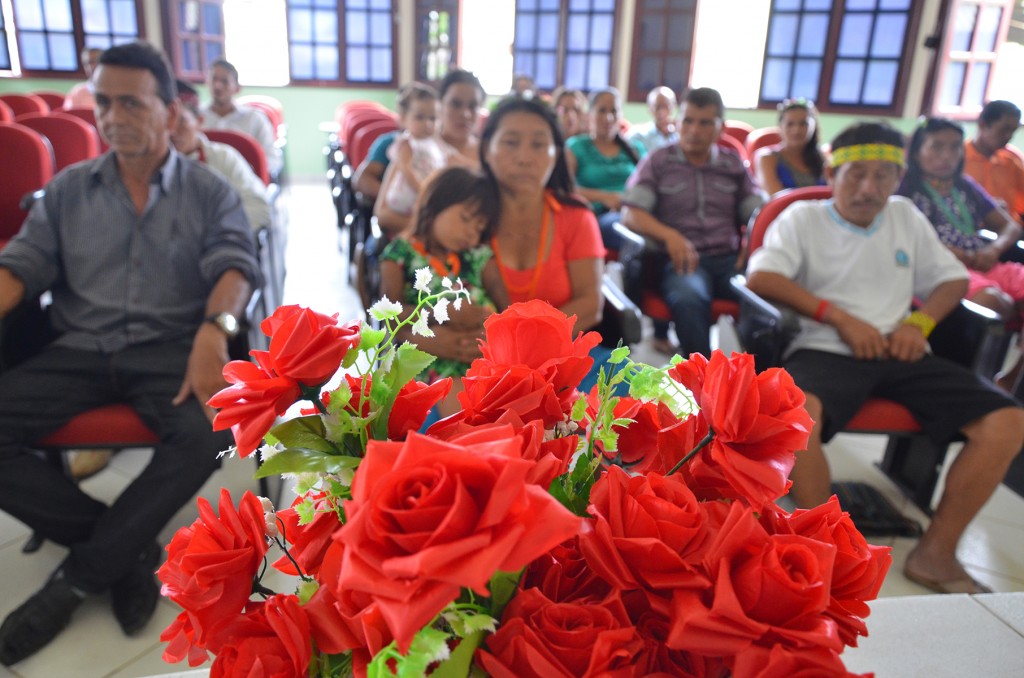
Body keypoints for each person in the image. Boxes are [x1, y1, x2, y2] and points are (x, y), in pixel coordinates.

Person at [0, 41, 261, 666]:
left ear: (169, 111)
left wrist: (213, 328)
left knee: (208, 436)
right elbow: (21, 266)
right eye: (104, 102)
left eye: (131, 103)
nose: (113, 117)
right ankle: (123, 553)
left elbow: (236, 263)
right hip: (79, 347)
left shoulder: (207, 190)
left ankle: (73, 583)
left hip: (168, 349)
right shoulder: (66, 192)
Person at [746, 121, 1024, 595]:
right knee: (796, 415)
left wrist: (920, 325)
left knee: (1007, 422)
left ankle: (937, 554)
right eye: (855, 174)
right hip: (825, 346)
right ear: (833, 173)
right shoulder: (803, 218)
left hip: (899, 348)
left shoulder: (904, 215)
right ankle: (822, 549)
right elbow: (761, 277)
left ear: (898, 178)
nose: (868, 188)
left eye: (882, 176)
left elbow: (951, 280)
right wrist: (840, 319)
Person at [621, 86, 764, 358]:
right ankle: (703, 380)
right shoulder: (659, 162)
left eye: (705, 123)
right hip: (684, 260)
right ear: (678, 122)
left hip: (730, 260)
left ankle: (760, 381)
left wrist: (752, 242)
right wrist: (669, 235)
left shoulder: (732, 164)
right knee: (689, 298)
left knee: (765, 299)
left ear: (720, 128)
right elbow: (632, 213)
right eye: (688, 121)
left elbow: (757, 212)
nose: (694, 130)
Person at [897, 117, 1024, 390]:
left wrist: (994, 249)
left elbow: (1009, 225)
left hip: (984, 261)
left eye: (955, 147)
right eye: (937, 147)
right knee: (993, 302)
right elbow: (902, 235)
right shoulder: (905, 187)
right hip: (941, 268)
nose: (947, 155)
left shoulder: (963, 185)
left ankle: (1011, 380)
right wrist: (953, 252)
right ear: (918, 150)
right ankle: (976, 385)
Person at [379, 167, 508, 416]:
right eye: (465, 218)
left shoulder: (479, 257)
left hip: (485, 358)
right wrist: (442, 314)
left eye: (479, 227)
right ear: (436, 202)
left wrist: (490, 337)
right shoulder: (399, 255)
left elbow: (508, 312)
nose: (472, 232)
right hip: (431, 357)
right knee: (455, 400)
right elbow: (388, 315)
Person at [480, 97, 604, 334]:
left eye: (538, 145)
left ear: (556, 155)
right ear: (487, 150)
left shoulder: (576, 217)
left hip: (557, 355)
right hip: (476, 357)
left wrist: (526, 343)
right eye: (510, 142)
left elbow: (590, 304)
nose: (524, 158)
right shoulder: (465, 213)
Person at [172, 80, 271, 233]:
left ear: (199, 122)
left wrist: (217, 237)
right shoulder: (148, 166)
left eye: (181, 122)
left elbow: (258, 207)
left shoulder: (223, 158)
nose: (172, 132)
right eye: (164, 122)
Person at [565, 87, 646, 253]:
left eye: (614, 111)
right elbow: (565, 188)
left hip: (639, 211)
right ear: (590, 114)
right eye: (602, 111)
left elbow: (650, 185)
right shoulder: (577, 146)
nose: (608, 118)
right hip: (602, 215)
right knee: (633, 238)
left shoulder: (635, 149)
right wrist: (605, 197)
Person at [374, 83, 448, 235]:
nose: (427, 124)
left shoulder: (435, 145)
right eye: (419, 117)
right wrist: (423, 191)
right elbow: (406, 169)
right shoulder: (406, 143)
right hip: (408, 194)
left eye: (433, 118)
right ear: (403, 118)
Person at [202, 59, 282, 178]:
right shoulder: (195, 118)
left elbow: (271, 159)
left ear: (237, 88)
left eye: (225, 81)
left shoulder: (254, 119)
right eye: (214, 79)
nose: (217, 86)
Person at [964, 100, 1024, 226]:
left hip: (1008, 233)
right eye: (1004, 129)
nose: (1009, 136)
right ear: (983, 125)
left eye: (1013, 130)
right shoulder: (957, 159)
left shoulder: (1011, 162)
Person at [754, 97, 826, 195]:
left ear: (814, 127)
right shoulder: (767, 158)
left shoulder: (823, 158)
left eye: (803, 124)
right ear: (780, 126)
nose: (796, 130)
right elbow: (775, 198)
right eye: (790, 124)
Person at [626, 86, 679, 156]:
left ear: (673, 107)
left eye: (666, 106)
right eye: (657, 107)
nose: (662, 112)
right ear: (649, 108)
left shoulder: (679, 135)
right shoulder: (638, 134)